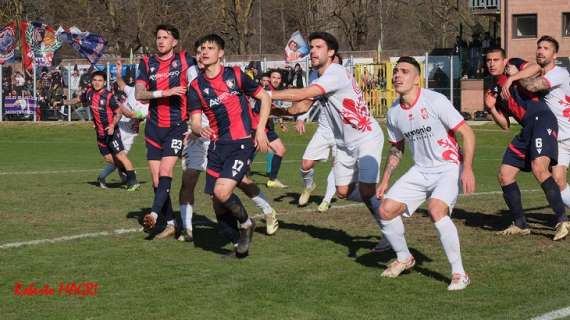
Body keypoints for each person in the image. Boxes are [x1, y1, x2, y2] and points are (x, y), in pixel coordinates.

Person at [270, 31, 390, 252]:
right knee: (343, 191)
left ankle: (388, 228)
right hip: (344, 143)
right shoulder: (321, 79)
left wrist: (267, 94)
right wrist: (271, 110)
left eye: (318, 47)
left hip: (366, 136)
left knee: (365, 191)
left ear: (331, 52)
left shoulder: (336, 72)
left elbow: (301, 94)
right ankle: (384, 203)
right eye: (312, 47)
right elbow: (301, 106)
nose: (313, 51)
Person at [375, 56, 475, 291]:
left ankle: (460, 273)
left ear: (417, 78)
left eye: (405, 71)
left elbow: (467, 133)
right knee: (385, 209)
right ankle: (404, 258)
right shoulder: (393, 112)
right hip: (420, 169)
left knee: (436, 209)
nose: (398, 75)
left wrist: (467, 168)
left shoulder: (434, 100)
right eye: (396, 71)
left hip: (448, 166)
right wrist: (385, 179)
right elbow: (397, 146)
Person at [187, 34, 271, 258]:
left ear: (220, 53)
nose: (205, 51)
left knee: (222, 192)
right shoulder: (195, 87)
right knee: (217, 203)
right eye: (202, 47)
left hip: (241, 143)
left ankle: (246, 223)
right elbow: (195, 121)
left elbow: (265, 97)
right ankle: (238, 245)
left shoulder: (235, 75)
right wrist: (198, 129)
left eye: (210, 48)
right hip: (216, 147)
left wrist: (261, 129)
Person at [484, 47, 568, 241]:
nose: (491, 63)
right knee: (505, 175)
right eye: (489, 60)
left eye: (496, 59)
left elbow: (534, 67)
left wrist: (513, 78)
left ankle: (562, 220)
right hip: (526, 128)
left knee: (539, 168)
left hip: (542, 119)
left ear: (504, 61)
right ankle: (520, 223)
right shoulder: (494, 90)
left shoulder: (513, 65)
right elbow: (504, 125)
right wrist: (491, 108)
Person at [135, 24, 198, 239]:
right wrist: (165, 92)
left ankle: (153, 214)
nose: (160, 41)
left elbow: (198, 80)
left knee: (165, 172)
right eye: (158, 37)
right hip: (153, 127)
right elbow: (139, 93)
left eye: (165, 37)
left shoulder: (185, 60)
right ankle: (171, 223)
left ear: (175, 42)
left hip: (176, 126)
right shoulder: (146, 63)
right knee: (155, 181)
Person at [64, 71, 140, 191]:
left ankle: (133, 180)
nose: (97, 83)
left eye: (100, 80)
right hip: (100, 133)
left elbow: (119, 113)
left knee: (120, 156)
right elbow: (78, 99)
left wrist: (112, 125)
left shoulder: (109, 96)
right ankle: (127, 175)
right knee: (109, 159)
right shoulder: (89, 93)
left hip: (112, 132)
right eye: (95, 80)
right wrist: (64, 102)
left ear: (104, 82)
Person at [294, 54, 344, 214]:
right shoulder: (317, 83)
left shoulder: (346, 82)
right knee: (306, 164)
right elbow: (308, 101)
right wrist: (301, 118)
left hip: (342, 134)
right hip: (323, 130)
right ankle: (309, 186)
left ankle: (326, 200)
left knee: (336, 168)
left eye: (335, 65)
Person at [96, 60, 147, 188]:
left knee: (119, 159)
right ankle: (127, 177)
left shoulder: (147, 109)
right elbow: (121, 84)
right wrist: (119, 72)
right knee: (117, 158)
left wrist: (117, 104)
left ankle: (108, 177)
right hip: (117, 127)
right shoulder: (134, 91)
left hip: (129, 134)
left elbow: (131, 115)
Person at [253, 70, 288, 188]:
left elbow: (274, 110)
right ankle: (234, 175)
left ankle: (272, 179)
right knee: (247, 153)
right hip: (258, 127)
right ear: (269, 79)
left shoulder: (275, 93)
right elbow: (261, 110)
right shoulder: (265, 92)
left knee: (280, 150)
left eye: (278, 78)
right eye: (274, 77)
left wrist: (281, 122)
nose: (276, 80)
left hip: (266, 127)